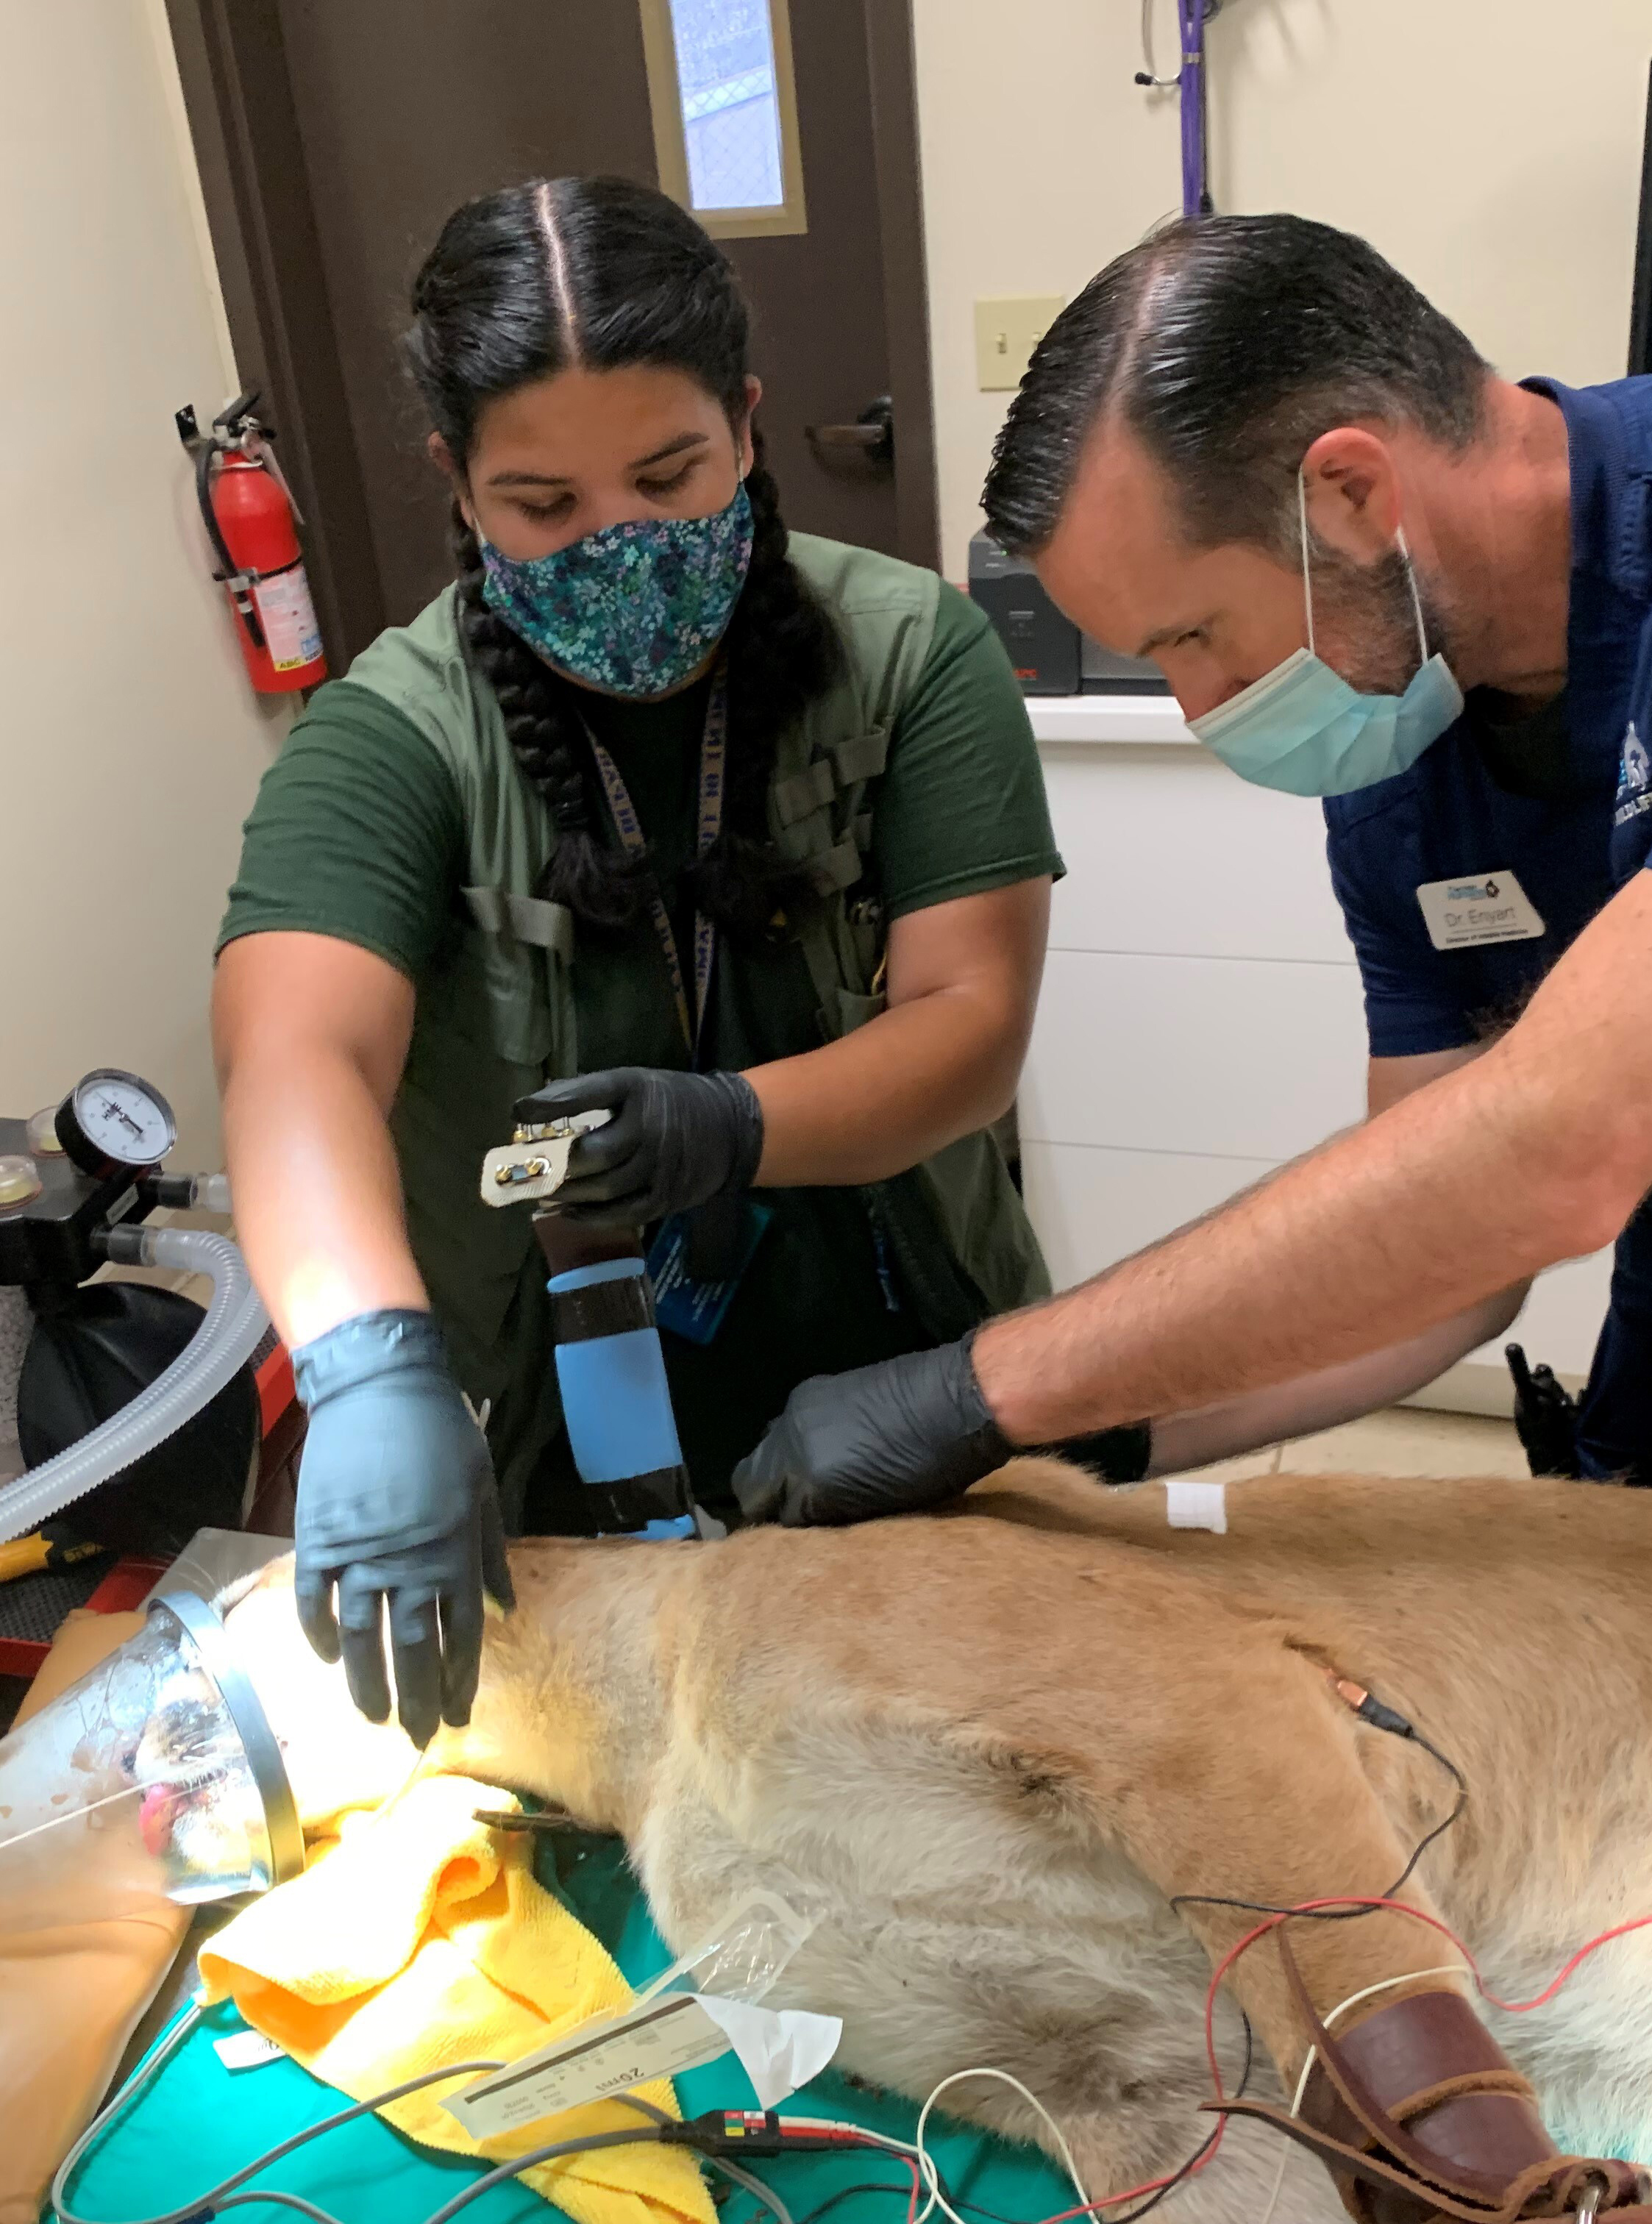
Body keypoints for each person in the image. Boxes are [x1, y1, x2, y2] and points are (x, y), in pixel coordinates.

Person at [730, 211, 1652, 1588]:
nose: (1199, 710)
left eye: (1196, 635)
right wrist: (1070, 1437)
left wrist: (983, 1383)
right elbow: (1445, 1270)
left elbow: (1564, 1144)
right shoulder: (1406, 732)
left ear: (1356, 492)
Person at [214, 176, 1071, 1741]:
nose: (618, 544)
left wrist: (734, 1126)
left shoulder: (913, 660)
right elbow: (296, 1059)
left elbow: (972, 1020)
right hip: (577, 1402)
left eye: (670, 475)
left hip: (903, 1362)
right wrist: (365, 1365)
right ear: (456, 487)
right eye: (543, 507)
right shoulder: (396, 735)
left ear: (746, 428)